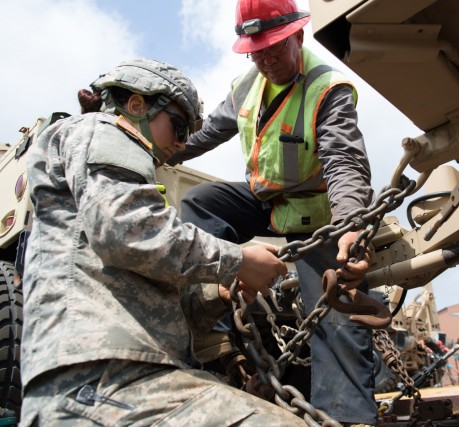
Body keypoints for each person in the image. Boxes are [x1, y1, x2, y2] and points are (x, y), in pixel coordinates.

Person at [20, 58, 307, 426]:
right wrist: (237, 260)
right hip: (103, 377)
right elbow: (124, 231)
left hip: (121, 374)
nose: (182, 142)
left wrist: (217, 295)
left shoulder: (122, 187)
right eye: (179, 125)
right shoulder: (104, 129)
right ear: (137, 106)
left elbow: (149, 292)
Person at [169, 0, 378, 425]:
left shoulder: (328, 90)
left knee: (336, 315)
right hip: (266, 202)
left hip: (317, 216)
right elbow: (206, 133)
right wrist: (150, 141)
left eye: (274, 48)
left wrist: (351, 230)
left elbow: (344, 164)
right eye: (256, 51)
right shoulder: (248, 86)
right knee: (200, 203)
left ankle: (348, 417)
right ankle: (213, 326)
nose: (265, 59)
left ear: (298, 36)